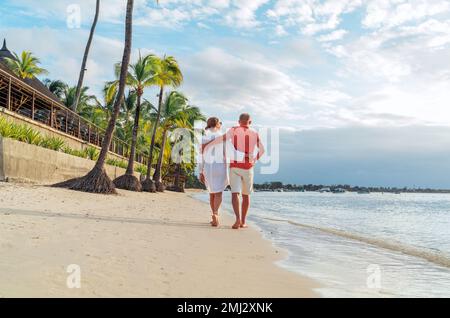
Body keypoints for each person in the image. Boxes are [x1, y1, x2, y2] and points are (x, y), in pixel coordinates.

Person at [204, 113, 265, 230]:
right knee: (246, 196)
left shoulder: (234, 130)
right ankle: (243, 221)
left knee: (235, 194)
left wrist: (207, 145)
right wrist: (253, 160)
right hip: (248, 167)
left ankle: (237, 219)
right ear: (250, 122)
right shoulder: (255, 133)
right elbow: (262, 150)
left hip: (235, 167)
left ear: (238, 121)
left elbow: (221, 139)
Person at [199, 117, 229, 227]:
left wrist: (200, 171)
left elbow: (201, 155)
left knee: (211, 192)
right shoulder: (222, 136)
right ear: (217, 124)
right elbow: (227, 154)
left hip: (208, 168)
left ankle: (213, 215)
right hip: (220, 166)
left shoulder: (203, 137)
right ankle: (216, 213)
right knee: (218, 193)